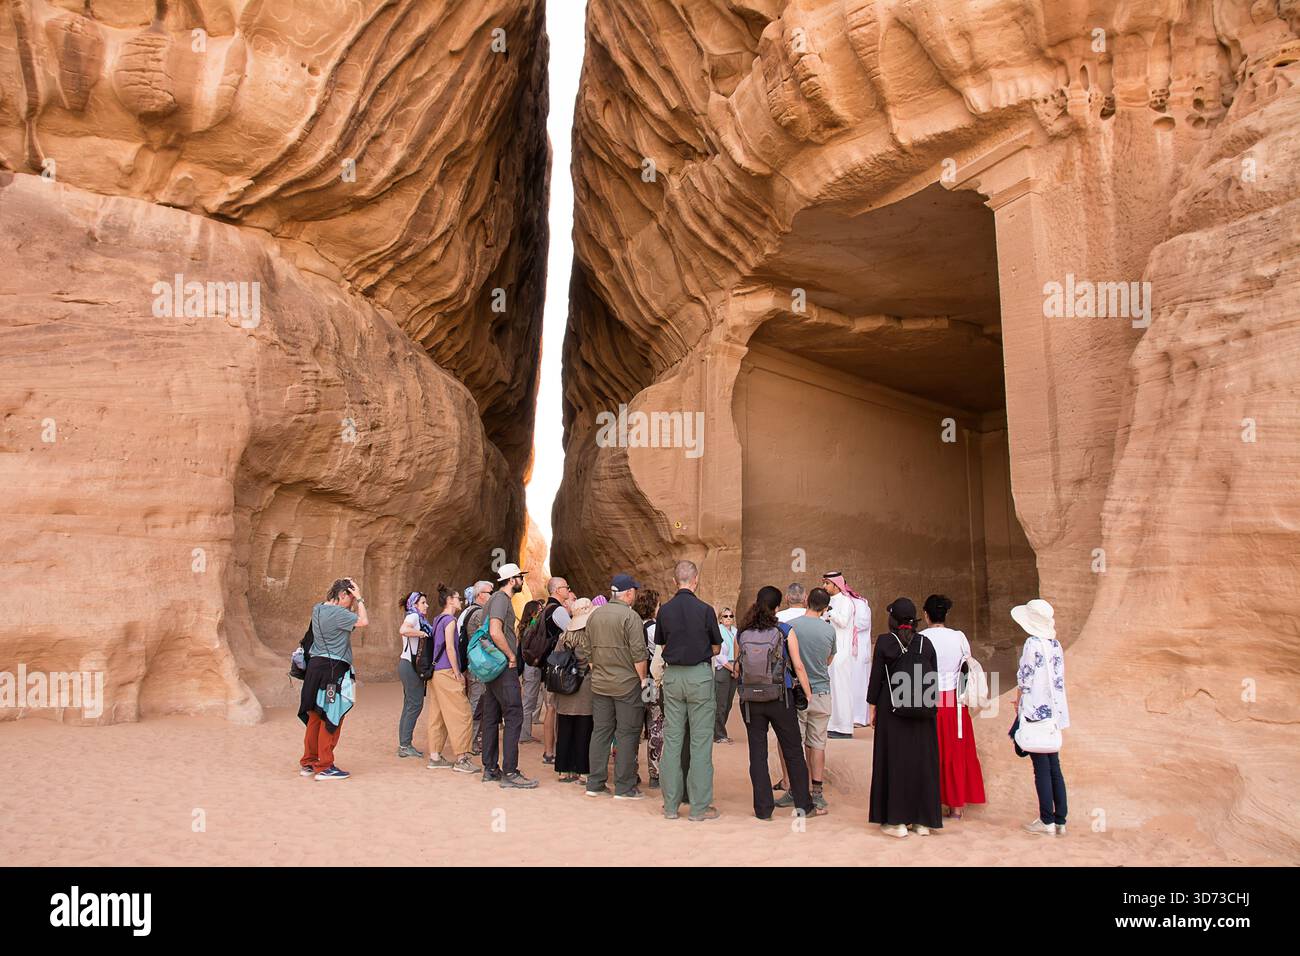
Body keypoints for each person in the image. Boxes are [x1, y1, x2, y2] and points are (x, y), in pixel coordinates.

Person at [735, 586, 821, 821]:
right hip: (780, 698)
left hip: (751, 701)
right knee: (793, 751)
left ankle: (763, 810)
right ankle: (804, 805)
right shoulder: (784, 631)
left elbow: (737, 669)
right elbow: (799, 665)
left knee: (758, 753)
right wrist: (808, 692)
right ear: (777, 606)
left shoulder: (742, 633)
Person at [866, 597, 942, 837]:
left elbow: (876, 677)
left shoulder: (886, 642)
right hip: (922, 711)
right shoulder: (925, 644)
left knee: (894, 762)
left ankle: (896, 821)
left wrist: (872, 708)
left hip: (893, 709)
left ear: (893, 619)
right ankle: (922, 821)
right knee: (922, 762)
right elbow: (933, 678)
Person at [655, 560, 721, 821]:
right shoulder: (705, 610)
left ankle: (671, 806)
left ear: (675, 581)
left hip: (673, 676)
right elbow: (716, 647)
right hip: (699, 676)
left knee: (672, 740)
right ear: (695, 580)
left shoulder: (665, 610)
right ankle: (699, 807)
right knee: (701, 742)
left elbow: (661, 643)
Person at [584, 574, 649, 800]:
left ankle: (595, 783)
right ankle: (624, 786)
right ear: (629, 593)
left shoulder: (594, 615)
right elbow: (639, 654)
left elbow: (587, 652)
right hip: (626, 686)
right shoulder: (631, 617)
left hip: (600, 684)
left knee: (600, 732)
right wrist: (643, 680)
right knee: (627, 734)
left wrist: (599, 671)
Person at [920, 594, 985, 819]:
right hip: (955, 701)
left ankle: (931, 801)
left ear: (926, 615)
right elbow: (967, 664)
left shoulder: (921, 638)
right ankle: (956, 806)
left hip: (930, 699)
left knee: (930, 753)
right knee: (956, 752)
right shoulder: (959, 637)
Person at [298, 578, 368, 781]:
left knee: (314, 717)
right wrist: (361, 598)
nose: (352, 605)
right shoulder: (339, 613)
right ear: (343, 595)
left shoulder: (318, 609)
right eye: (351, 600)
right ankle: (325, 766)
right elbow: (363, 621)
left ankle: (309, 762)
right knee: (331, 715)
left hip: (314, 671)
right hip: (332, 674)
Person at [1011, 599, 1069, 837]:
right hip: (1053, 712)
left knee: (1040, 768)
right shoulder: (1055, 645)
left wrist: (1018, 704)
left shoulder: (1032, 644)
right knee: (1054, 765)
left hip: (1035, 710)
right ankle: (1060, 820)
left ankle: (1046, 820)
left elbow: (1025, 679)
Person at [479, 562, 538, 789]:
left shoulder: (493, 599)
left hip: (493, 667)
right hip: (503, 667)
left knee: (492, 715)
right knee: (514, 714)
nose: (522, 581)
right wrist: (511, 656)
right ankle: (510, 772)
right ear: (512, 580)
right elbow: (495, 630)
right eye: (520, 578)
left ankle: (490, 768)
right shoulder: (502, 600)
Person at [777, 586, 836, 811]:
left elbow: (789, 659)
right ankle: (817, 791)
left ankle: (795, 789)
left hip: (798, 691)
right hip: (821, 690)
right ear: (825, 607)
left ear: (807, 600)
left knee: (795, 743)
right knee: (818, 743)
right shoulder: (828, 630)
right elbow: (829, 659)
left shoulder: (793, 627)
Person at [422, 584, 478, 774]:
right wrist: (457, 673)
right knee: (461, 712)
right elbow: (450, 648)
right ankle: (462, 758)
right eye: (458, 598)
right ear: (450, 601)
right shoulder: (451, 621)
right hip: (447, 671)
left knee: (437, 715)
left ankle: (435, 756)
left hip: (436, 673)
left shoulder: (438, 619)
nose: (460, 601)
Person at [822, 571, 870, 737]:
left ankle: (844, 728)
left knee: (841, 689)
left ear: (836, 584)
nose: (824, 586)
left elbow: (843, 622)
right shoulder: (828, 602)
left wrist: (830, 612)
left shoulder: (847, 602)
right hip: (829, 652)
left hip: (842, 652)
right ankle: (832, 725)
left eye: (827, 583)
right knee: (831, 690)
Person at [553, 598, 595, 783]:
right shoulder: (590, 637)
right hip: (585, 688)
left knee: (565, 729)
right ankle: (583, 771)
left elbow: (555, 659)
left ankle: (563, 769)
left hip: (565, 687)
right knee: (583, 730)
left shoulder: (564, 637)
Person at [536, 577, 574, 764]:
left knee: (550, 708)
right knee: (553, 708)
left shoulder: (545, 610)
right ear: (558, 590)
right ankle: (551, 752)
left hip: (547, 666)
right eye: (567, 587)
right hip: (557, 666)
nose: (568, 590)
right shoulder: (558, 610)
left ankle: (549, 751)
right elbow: (572, 634)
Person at [632, 588, 666, 788]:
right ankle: (655, 773)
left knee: (634, 727)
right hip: (652, 682)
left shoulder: (632, 626)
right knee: (655, 724)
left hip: (635, 681)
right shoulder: (656, 629)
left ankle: (632, 770)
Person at [459, 580, 493, 754]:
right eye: (489, 593)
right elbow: (484, 638)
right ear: (480, 595)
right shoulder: (479, 613)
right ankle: (469, 742)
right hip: (479, 665)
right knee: (477, 703)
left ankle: (471, 740)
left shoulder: (467, 611)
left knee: (476, 701)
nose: (492, 596)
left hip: (472, 663)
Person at [396, 590, 430, 758]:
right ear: (415, 604)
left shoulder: (419, 618)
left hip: (407, 664)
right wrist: (421, 633)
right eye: (423, 603)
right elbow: (403, 630)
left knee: (409, 704)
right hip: (410, 665)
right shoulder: (414, 617)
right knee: (415, 704)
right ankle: (405, 745)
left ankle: (404, 743)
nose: (426, 606)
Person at [518, 599, 543, 744]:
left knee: (528, 700)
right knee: (528, 702)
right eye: (539, 610)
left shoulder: (524, 626)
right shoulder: (532, 626)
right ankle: (523, 734)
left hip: (528, 667)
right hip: (532, 667)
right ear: (532, 612)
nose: (541, 612)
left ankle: (525, 733)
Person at [712, 606, 738, 743]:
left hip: (735, 666)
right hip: (723, 668)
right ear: (720, 619)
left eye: (731, 616)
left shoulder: (736, 631)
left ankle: (718, 731)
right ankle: (719, 734)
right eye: (725, 616)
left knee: (728, 703)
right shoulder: (718, 631)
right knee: (720, 703)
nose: (728, 618)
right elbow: (719, 655)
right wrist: (732, 668)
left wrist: (737, 668)